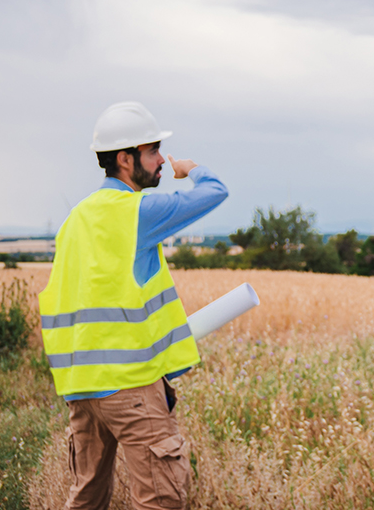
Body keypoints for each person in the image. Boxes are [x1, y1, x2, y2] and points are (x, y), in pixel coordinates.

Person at [39, 101, 229, 510]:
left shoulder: (76, 218)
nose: (161, 160)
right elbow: (215, 192)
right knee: (161, 499)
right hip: (129, 388)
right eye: (153, 150)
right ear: (126, 159)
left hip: (83, 388)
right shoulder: (136, 212)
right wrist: (191, 170)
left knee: (86, 498)